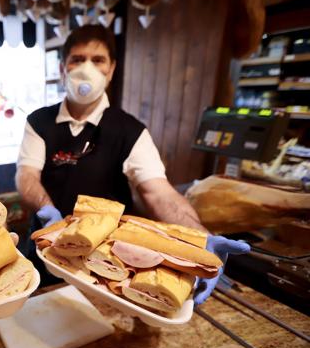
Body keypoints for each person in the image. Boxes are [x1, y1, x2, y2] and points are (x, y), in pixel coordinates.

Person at [16, 24, 248, 303]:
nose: (86, 68)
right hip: (48, 246)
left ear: (111, 70)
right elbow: (26, 176)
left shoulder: (130, 130)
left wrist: (198, 238)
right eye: (77, 59)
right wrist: (46, 208)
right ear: (63, 69)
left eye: (97, 60)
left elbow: (158, 192)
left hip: (104, 259)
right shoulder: (39, 121)